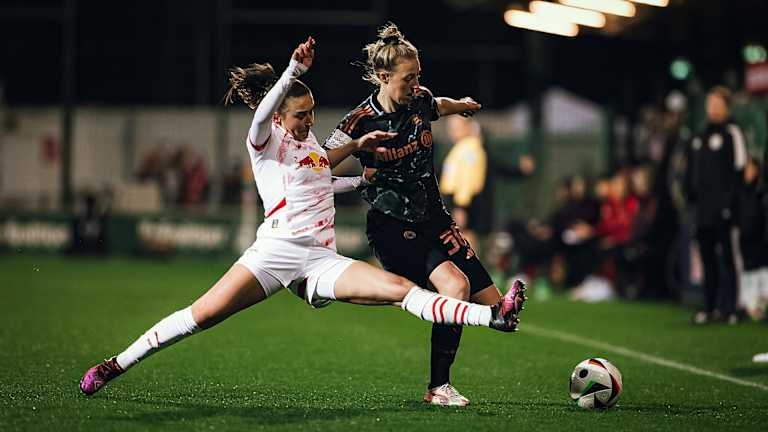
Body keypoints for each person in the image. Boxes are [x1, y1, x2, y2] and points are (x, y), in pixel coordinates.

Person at [79, 37, 526, 396]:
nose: (308, 122)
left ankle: (495, 318)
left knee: (400, 290)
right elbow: (261, 117)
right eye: (299, 114)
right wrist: (294, 72)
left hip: (319, 258)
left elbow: (321, 184)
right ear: (278, 114)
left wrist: (360, 180)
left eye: (312, 113)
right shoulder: (264, 141)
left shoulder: (313, 148)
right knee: (201, 316)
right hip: (275, 252)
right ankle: (113, 365)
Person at [323, 24, 524, 406]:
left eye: (419, 76)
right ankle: (439, 387)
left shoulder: (419, 100)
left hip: (435, 218)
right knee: (454, 287)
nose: (416, 84)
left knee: (494, 307)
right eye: (408, 78)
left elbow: (438, 104)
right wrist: (356, 154)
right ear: (384, 77)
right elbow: (319, 163)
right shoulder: (358, 122)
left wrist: (461, 106)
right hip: (393, 226)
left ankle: (399, 302)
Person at [685, 86, 747, 324]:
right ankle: (710, 308)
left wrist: (730, 204)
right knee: (708, 260)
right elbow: (691, 173)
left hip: (725, 210)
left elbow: (739, 170)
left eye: (718, 104)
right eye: (710, 104)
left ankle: (731, 308)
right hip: (702, 211)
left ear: (726, 107)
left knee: (728, 259)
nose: (713, 109)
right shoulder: (699, 137)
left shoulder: (732, 133)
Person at [439, 115, 535, 252]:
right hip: (457, 203)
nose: (452, 132)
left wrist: (461, 206)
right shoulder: (461, 148)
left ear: (468, 128)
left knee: (466, 240)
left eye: (457, 128)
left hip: (465, 204)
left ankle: (470, 272)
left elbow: (467, 181)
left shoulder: (470, 149)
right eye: (451, 128)